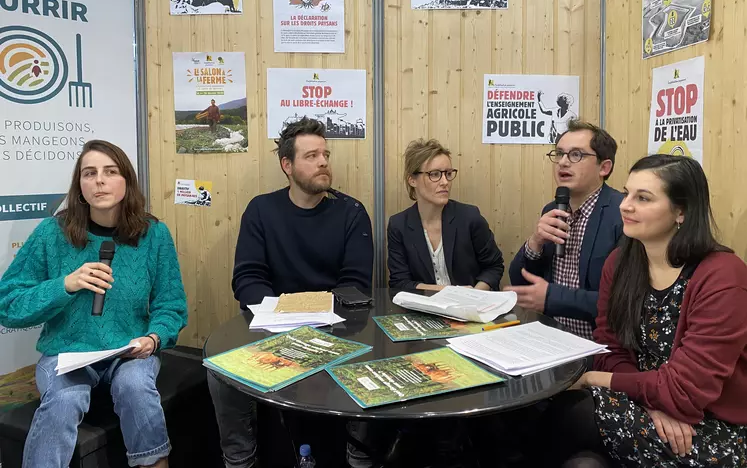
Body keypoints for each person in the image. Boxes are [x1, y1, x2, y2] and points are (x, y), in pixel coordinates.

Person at [539, 154, 747, 468]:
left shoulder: (723, 276)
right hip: (647, 404)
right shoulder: (620, 263)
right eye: (627, 193)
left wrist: (597, 378)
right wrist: (650, 402)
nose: (625, 205)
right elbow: (609, 347)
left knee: (568, 414)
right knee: (576, 451)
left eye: (643, 198)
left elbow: (684, 392)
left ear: (682, 211)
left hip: (710, 425)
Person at [0, 140, 188, 468]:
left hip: (128, 351)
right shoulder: (51, 233)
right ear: (80, 186)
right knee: (63, 399)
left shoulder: (153, 234)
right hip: (67, 353)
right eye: (90, 173)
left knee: (136, 387)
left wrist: (154, 338)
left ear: (126, 180)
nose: (99, 180)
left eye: (110, 171)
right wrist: (65, 285)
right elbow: (8, 304)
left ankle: (154, 464)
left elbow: (171, 304)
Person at [208, 117, 373, 468]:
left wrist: (312, 317)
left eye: (325, 154)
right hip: (273, 329)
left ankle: (359, 456)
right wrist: (284, 318)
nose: (323, 161)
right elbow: (248, 280)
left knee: (374, 355)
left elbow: (356, 285)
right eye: (311, 155)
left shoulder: (352, 212)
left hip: (337, 330)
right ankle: (240, 459)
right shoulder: (261, 210)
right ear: (287, 165)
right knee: (219, 370)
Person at [507, 120, 623, 340]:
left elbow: (621, 303)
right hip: (551, 339)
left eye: (576, 155)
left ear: (604, 167)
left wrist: (552, 297)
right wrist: (535, 242)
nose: (562, 162)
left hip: (600, 346)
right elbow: (520, 281)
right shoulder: (553, 209)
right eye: (559, 154)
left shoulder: (622, 214)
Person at [387, 138, 504, 291]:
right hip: (424, 309)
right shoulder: (399, 225)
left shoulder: (469, 217)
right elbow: (399, 282)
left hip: (471, 308)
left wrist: (475, 295)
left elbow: (494, 267)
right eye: (434, 174)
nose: (445, 182)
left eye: (448, 174)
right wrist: (450, 292)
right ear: (412, 180)